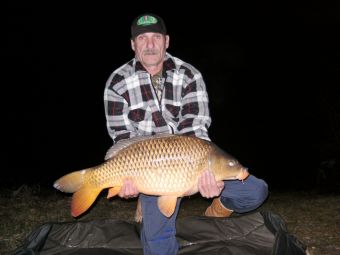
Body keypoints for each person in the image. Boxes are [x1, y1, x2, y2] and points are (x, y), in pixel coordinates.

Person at [104, 13, 268, 255]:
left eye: (156, 37)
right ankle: (145, 201)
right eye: (143, 38)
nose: (150, 44)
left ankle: (217, 209)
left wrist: (213, 180)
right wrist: (129, 183)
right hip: (149, 174)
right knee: (158, 247)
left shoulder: (189, 75)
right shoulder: (117, 83)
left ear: (166, 41)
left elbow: (195, 134)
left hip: (189, 166)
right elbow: (122, 140)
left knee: (255, 191)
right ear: (133, 45)